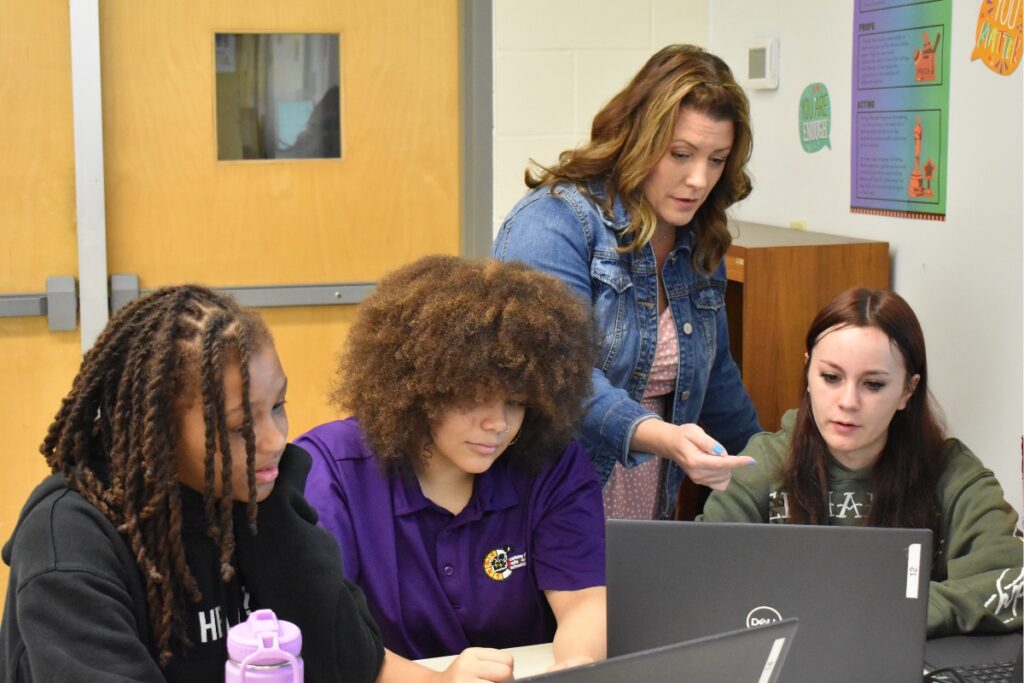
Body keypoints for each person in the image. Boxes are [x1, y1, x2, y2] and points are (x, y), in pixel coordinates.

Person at [0, 285, 513, 683]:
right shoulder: (69, 544)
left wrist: (440, 677)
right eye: (242, 427)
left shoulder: (261, 495)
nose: (275, 440)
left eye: (279, 407)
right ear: (155, 432)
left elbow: (353, 657)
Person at [297, 256, 607, 672]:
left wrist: (575, 670)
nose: (498, 423)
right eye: (474, 397)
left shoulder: (552, 464)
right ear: (419, 387)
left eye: (516, 401)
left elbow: (585, 598)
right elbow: (322, 630)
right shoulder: (332, 470)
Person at [492, 44, 759, 520]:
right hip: (545, 499)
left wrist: (773, 475)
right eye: (681, 154)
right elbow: (559, 378)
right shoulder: (554, 223)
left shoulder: (699, 242)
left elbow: (719, 387)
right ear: (638, 139)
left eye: (717, 160)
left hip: (647, 497)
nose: (699, 179)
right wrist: (664, 437)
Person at [699, 288, 1024, 637]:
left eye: (873, 384)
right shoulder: (762, 465)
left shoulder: (952, 473)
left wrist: (891, 615)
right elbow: (700, 575)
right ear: (808, 373)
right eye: (831, 377)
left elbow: (1010, 582)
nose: (848, 402)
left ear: (907, 391)